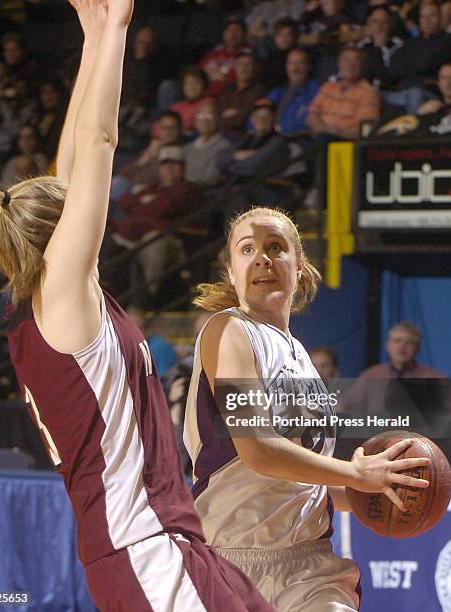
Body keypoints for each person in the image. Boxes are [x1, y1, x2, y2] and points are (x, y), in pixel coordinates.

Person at [0, 2, 275, 611]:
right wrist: (115, 32)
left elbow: (73, 158)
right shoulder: (61, 299)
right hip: (145, 551)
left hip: (166, 544)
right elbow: (98, 142)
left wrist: (90, 35)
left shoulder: (46, 308)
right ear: (61, 234)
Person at [184, 206, 430, 610]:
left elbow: (299, 482)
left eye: (275, 247)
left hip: (309, 563)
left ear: (299, 266)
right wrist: (354, 472)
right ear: (231, 271)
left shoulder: (301, 358)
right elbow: (257, 448)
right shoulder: (228, 330)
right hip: (232, 559)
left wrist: (375, 490)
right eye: (247, 249)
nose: (262, 257)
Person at [307, 46, 380, 139]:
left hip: (343, 141)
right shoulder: (328, 86)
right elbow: (311, 116)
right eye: (346, 60)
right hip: (320, 135)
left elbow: (364, 129)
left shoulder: (368, 93)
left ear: (362, 65)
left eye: (356, 61)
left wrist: (338, 133)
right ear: (339, 63)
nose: (350, 65)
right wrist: (325, 129)